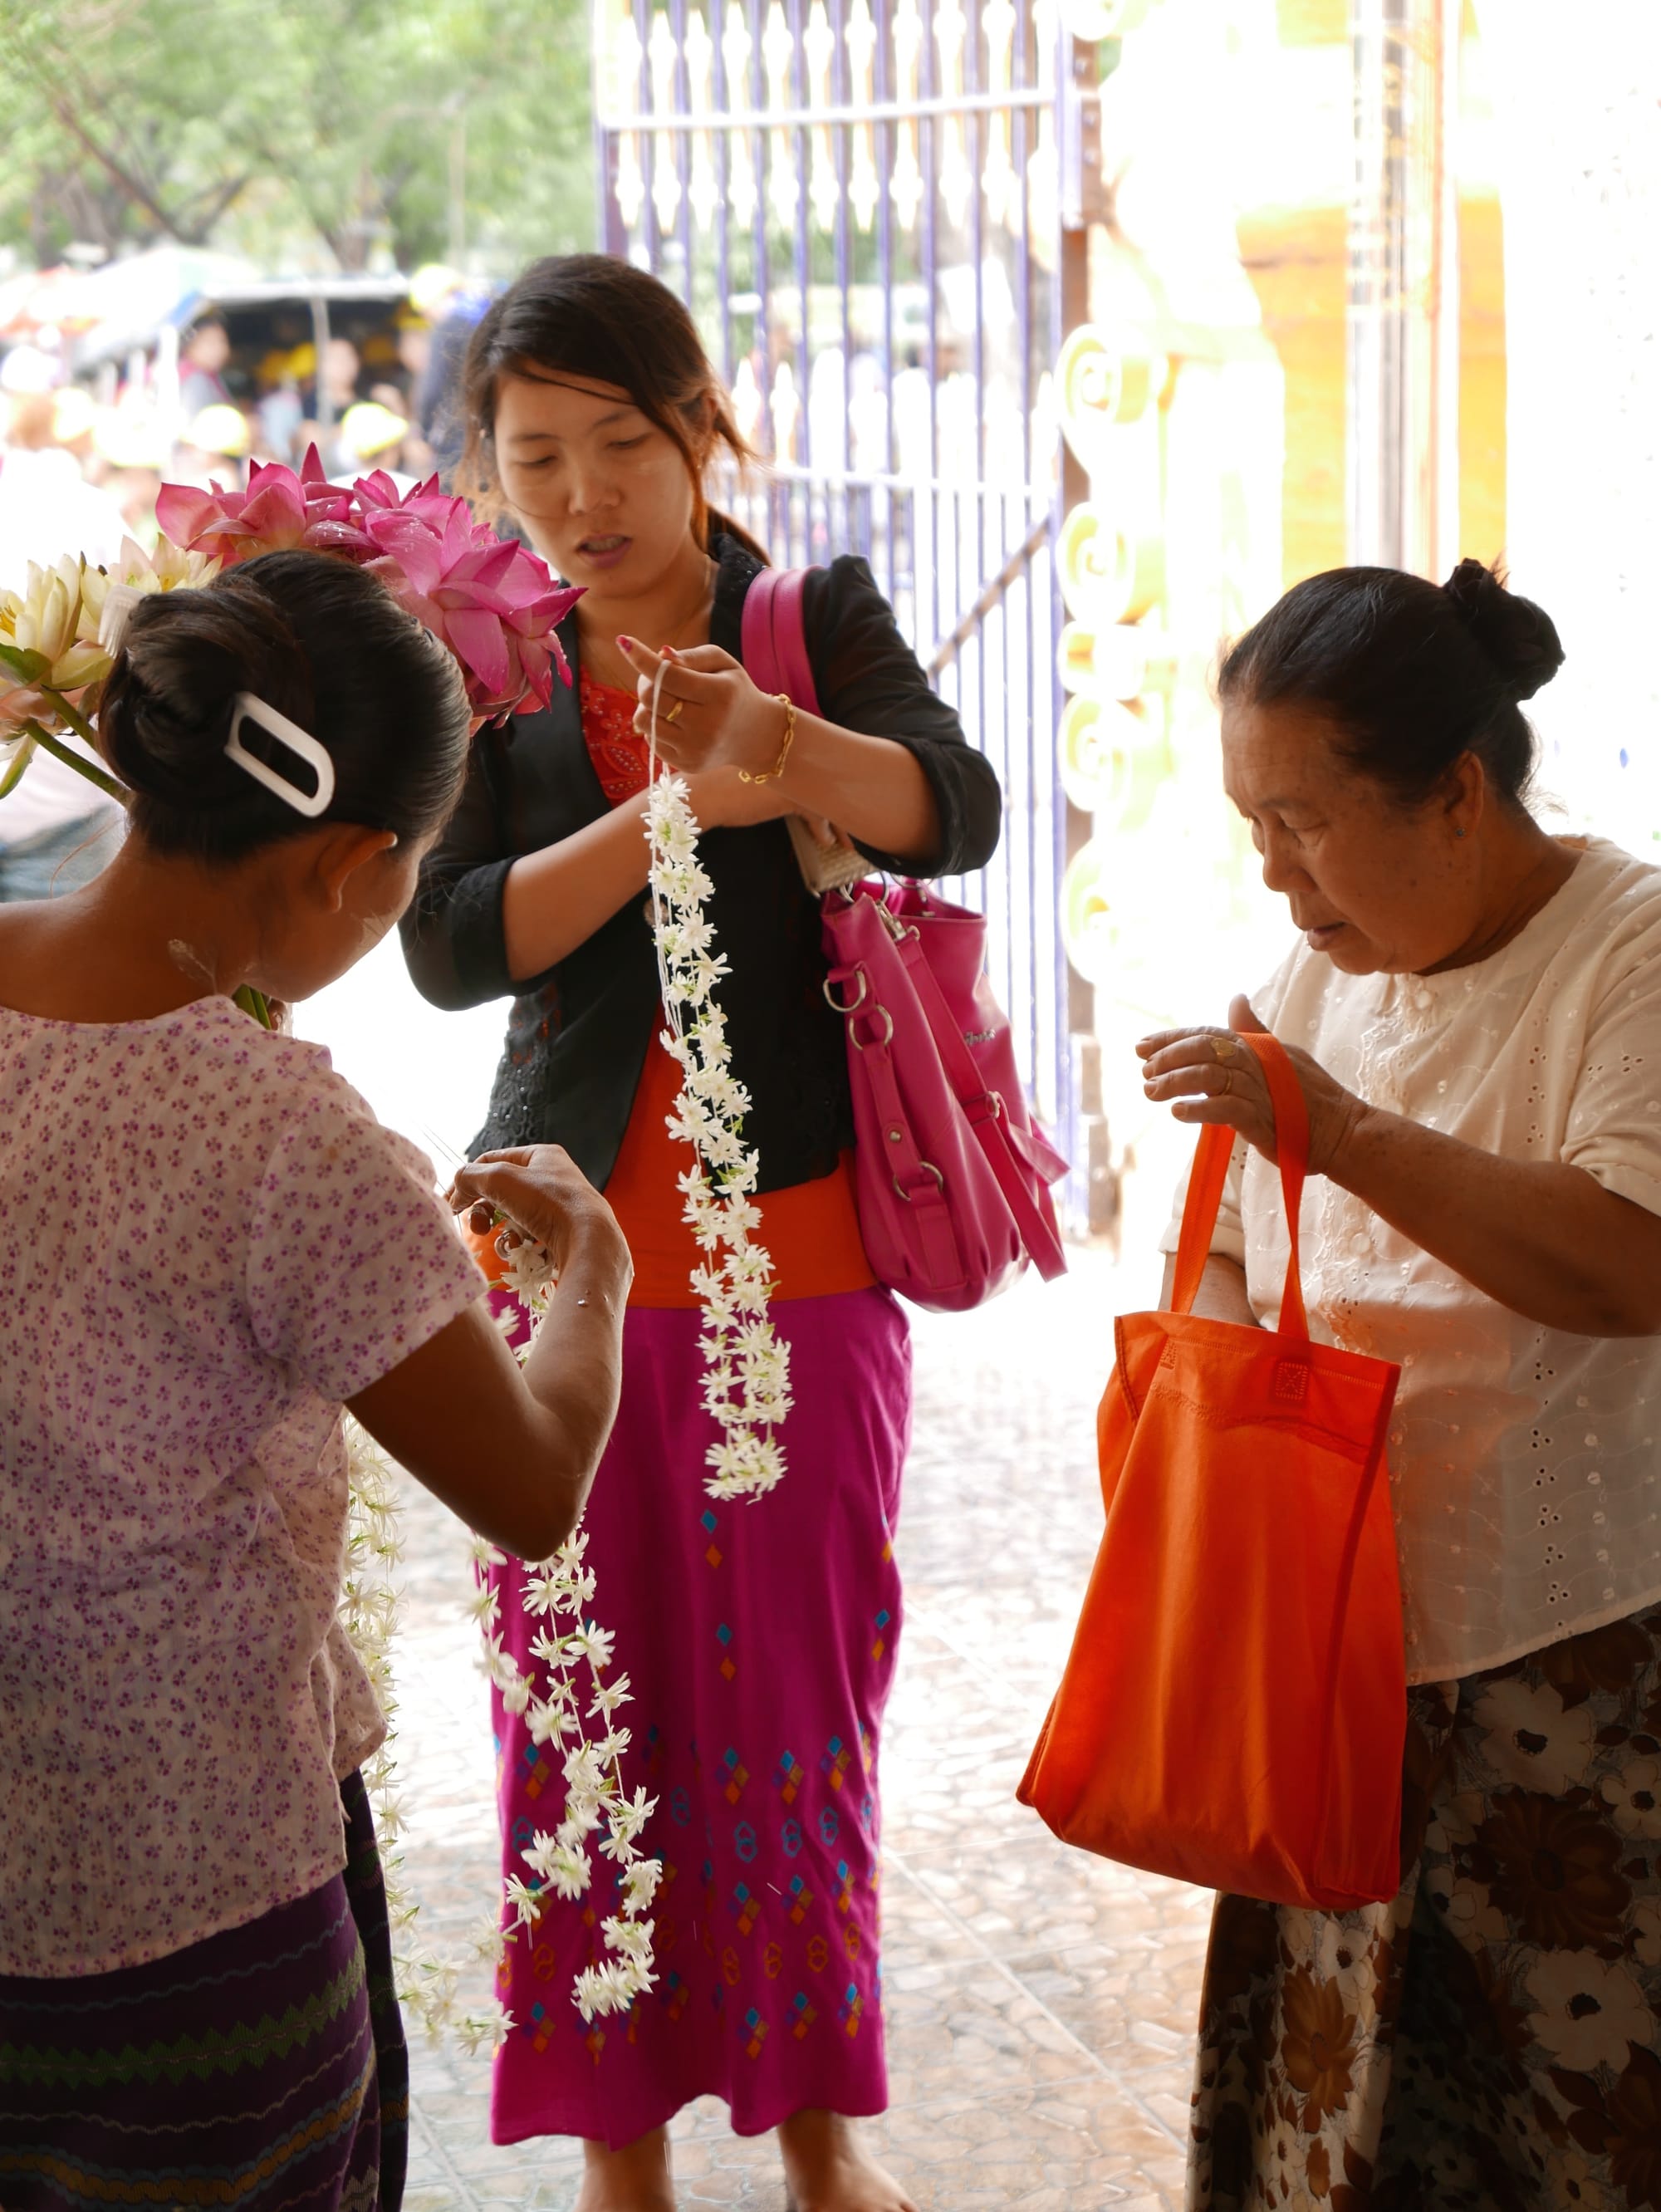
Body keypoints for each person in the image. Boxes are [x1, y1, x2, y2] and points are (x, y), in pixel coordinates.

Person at [400, 253, 1002, 2212]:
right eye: (536, 457)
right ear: (490, 476)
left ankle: (822, 2132)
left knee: (797, 1694)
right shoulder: (484, 661)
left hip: (802, 1252)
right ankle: (615, 2156)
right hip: (562, 1262)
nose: (585, 497)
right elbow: (443, 939)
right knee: (574, 1696)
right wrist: (666, 811)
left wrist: (775, 748)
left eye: (620, 443)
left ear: (694, 428)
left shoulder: (799, 612)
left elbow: (953, 806)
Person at [0, 550, 632, 2210]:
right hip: (196, 1904)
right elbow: (530, 1481)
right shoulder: (283, 1135)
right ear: (361, 865)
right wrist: (600, 1274)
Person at [1137, 560, 1661, 2210]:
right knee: (1345, 2118)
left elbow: (1626, 1258)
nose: (1273, 873)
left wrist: (1341, 1131)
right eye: (1247, 824)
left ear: (1451, 792)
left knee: (1568, 2117)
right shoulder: (1318, 966)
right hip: (1337, 1649)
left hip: (1571, 1657)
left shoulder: (1628, 949)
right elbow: (1230, 1237)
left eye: (1299, 820)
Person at [178, 314, 233, 419]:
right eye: (210, 343)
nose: (219, 349)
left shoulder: (210, 375)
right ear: (189, 346)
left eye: (222, 342)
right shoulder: (194, 379)